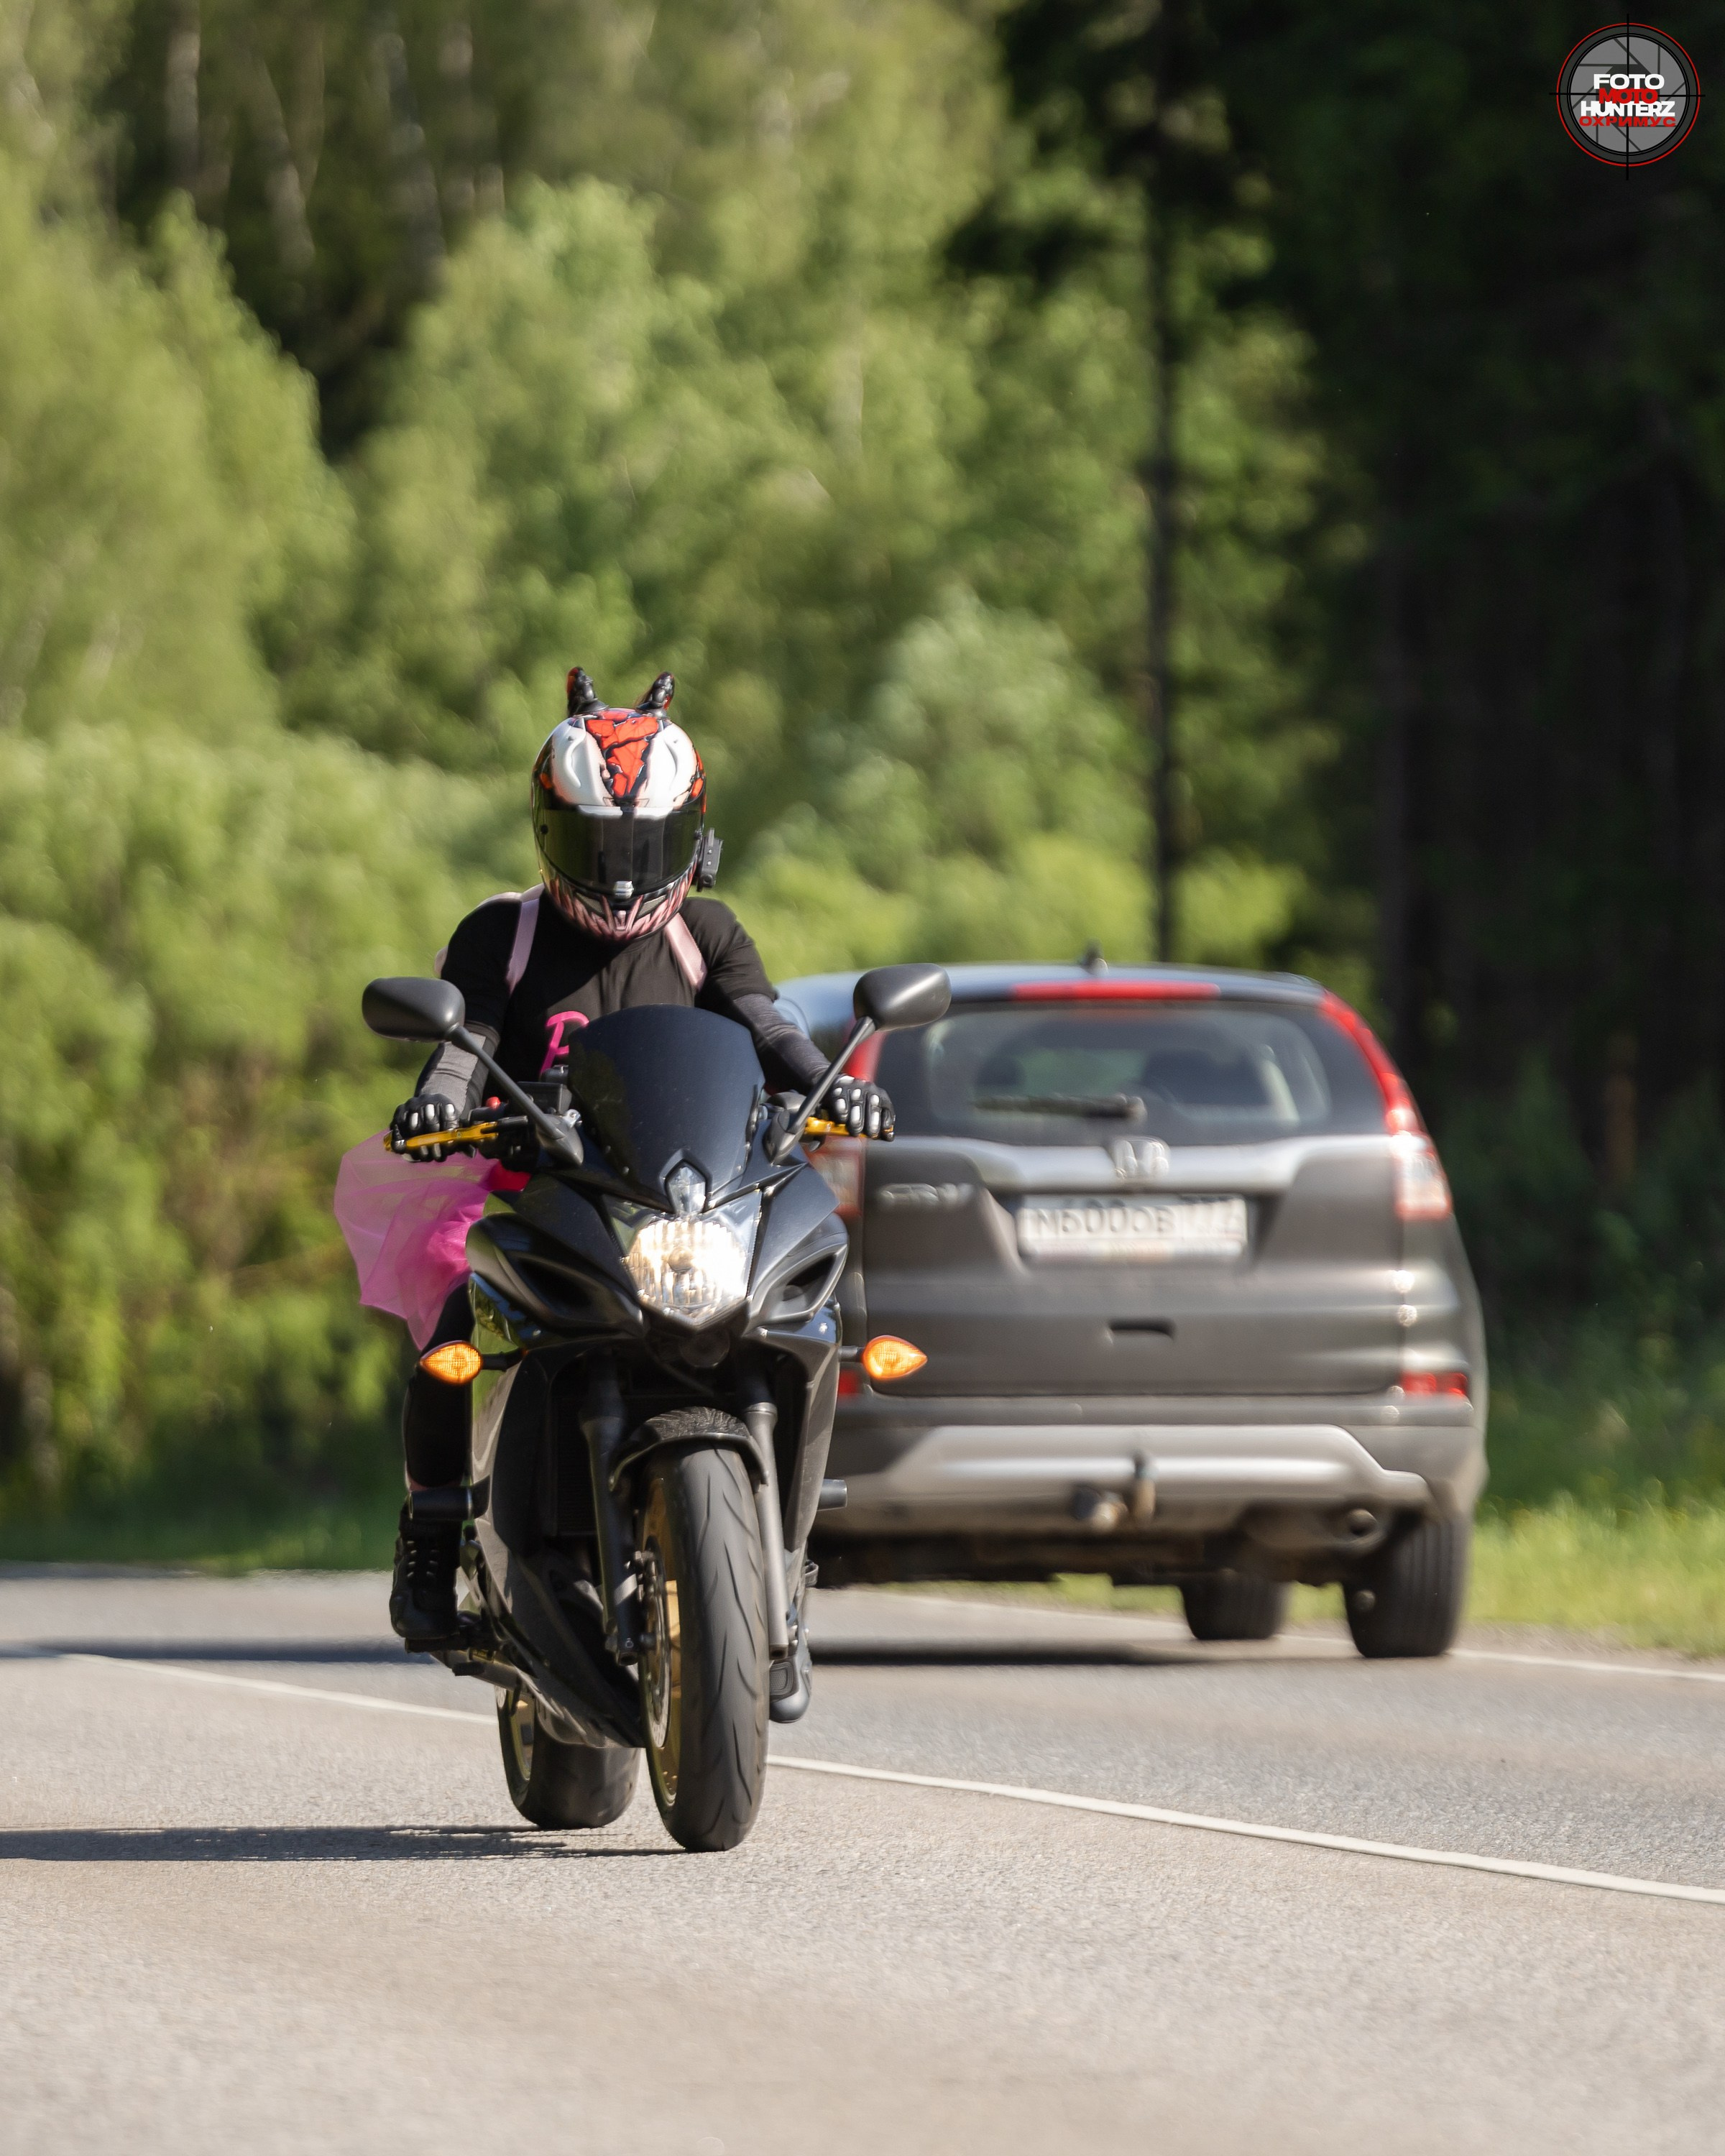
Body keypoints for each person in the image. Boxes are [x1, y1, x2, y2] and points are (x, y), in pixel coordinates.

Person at [387, 668, 894, 1644]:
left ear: (690, 835)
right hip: (549, 1191)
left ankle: (779, 1552)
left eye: (645, 846)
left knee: (805, 1307)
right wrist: (437, 1105)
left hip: (688, 1199)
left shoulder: (707, 931)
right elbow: (465, 1040)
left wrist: (835, 1083)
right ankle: (431, 1534)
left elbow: (770, 1028)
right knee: (455, 1330)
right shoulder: (504, 934)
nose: (621, 875)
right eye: (597, 845)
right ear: (549, 833)